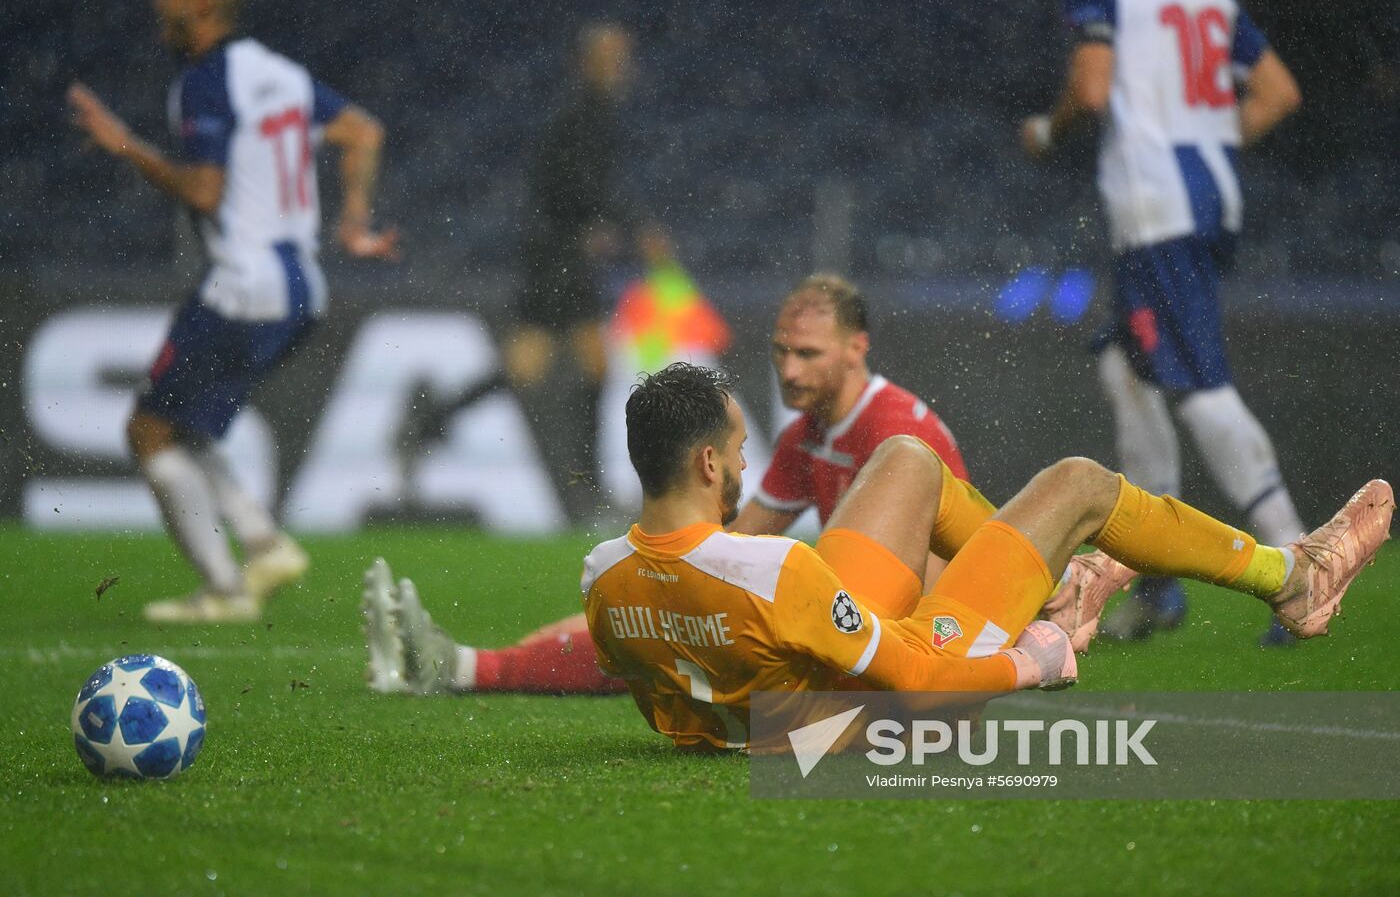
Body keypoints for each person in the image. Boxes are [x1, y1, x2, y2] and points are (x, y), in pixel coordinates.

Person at [380, 363, 1389, 751]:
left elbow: (655, 694)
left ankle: (1058, 580)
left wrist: (718, 723)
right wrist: (1027, 662)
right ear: (703, 460)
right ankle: (1294, 581)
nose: (746, 462)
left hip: (764, 706)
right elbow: (908, 678)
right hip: (852, 714)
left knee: (902, 459)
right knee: (1080, 483)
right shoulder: (773, 572)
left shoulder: (603, 577)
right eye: (735, 451)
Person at [360, 274, 1105, 696]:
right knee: (675, 615)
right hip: (842, 647)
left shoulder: (904, 440)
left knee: (683, 628)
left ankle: (1079, 585)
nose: (786, 370)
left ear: (855, 351)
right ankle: (462, 664)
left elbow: (949, 584)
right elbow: (730, 547)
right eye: (780, 352)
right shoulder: (804, 439)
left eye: (804, 353)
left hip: (894, 648)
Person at [68, 0, 396, 622]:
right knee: (179, 423)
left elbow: (204, 190)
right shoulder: (277, 71)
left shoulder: (205, 81)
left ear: (201, 0)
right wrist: (353, 217)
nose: (159, 0)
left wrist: (125, 147)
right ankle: (262, 541)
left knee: (147, 429)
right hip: (303, 284)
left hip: (244, 281)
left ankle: (225, 586)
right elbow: (365, 132)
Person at [1021, 0, 1307, 644]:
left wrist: (1046, 130)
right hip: (1206, 200)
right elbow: (1277, 93)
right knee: (1126, 368)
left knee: (1201, 386)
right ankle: (1154, 582)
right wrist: (1205, 150)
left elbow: (1091, 89)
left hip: (1156, 211)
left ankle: (1301, 563)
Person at [508, 23, 671, 520]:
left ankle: (587, 487)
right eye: (610, 56)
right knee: (537, 370)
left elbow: (577, 184)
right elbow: (575, 184)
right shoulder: (583, 116)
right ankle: (588, 488)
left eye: (623, 56)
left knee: (563, 367)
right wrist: (628, 225)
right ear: (587, 62)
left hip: (560, 253)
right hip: (554, 255)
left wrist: (604, 223)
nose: (619, 67)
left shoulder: (590, 115)